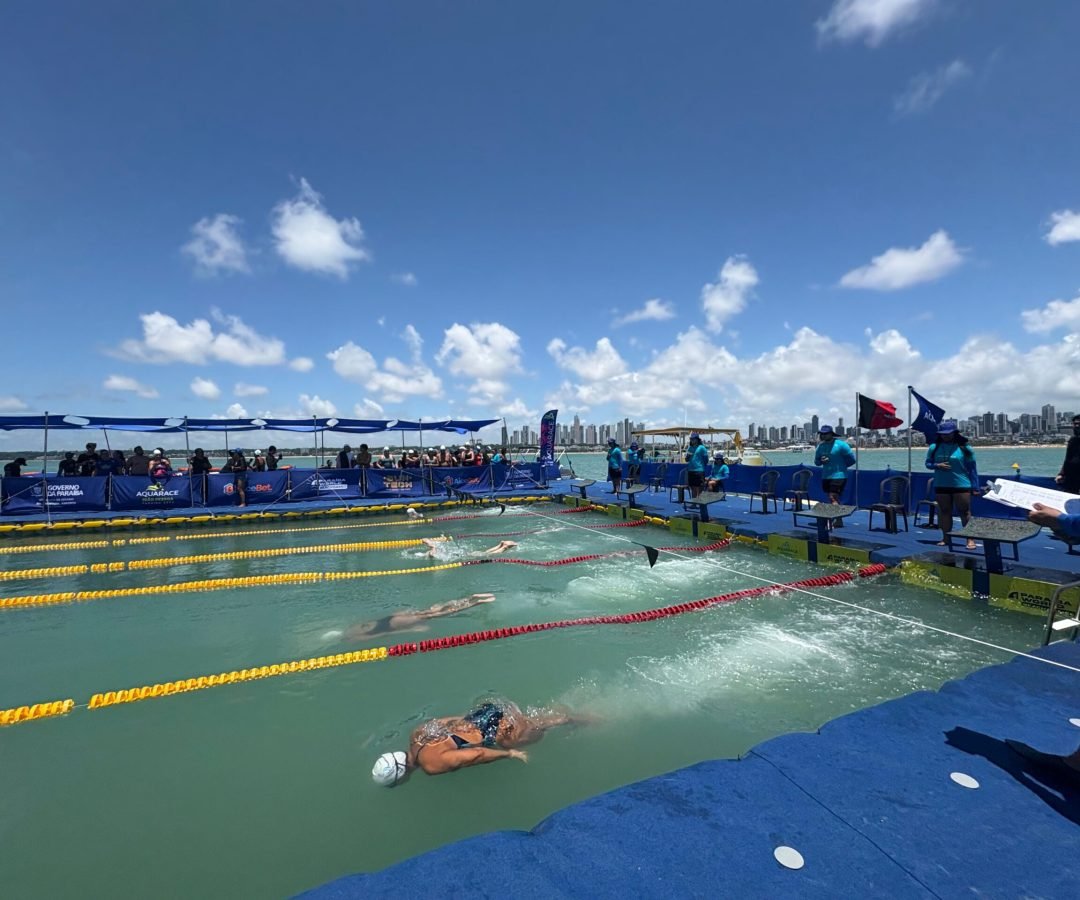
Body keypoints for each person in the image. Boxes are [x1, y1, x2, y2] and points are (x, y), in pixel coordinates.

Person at [371, 700, 587, 785]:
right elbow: (451, 721)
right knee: (538, 721)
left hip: (498, 728)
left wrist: (509, 754)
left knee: (540, 730)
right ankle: (572, 714)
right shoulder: (416, 735)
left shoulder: (431, 765)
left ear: (401, 777)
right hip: (484, 713)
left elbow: (476, 755)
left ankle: (586, 718)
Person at [344, 594, 496, 641]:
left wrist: (413, 630)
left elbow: (387, 633)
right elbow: (370, 623)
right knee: (433, 610)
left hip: (396, 623)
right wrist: (400, 613)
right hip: (394, 618)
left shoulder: (356, 637)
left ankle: (477, 602)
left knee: (440, 614)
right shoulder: (352, 628)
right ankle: (472, 597)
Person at [925, 420, 980, 550]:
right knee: (944, 512)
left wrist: (975, 487)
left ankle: (970, 539)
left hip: (961, 484)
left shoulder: (965, 448)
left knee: (964, 512)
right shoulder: (934, 447)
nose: (945, 436)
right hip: (941, 484)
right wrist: (936, 465)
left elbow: (972, 469)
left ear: (955, 433)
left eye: (948, 434)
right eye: (943, 434)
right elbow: (927, 464)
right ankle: (946, 538)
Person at [813, 426, 856, 513]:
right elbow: (817, 462)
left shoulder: (841, 445)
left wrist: (842, 468)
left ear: (831, 434)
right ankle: (838, 518)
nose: (823, 436)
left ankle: (837, 519)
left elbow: (852, 460)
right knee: (832, 498)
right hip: (826, 476)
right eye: (821, 434)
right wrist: (821, 461)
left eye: (825, 434)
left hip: (839, 475)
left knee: (832, 496)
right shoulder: (820, 446)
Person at [1056, 414, 1080, 494]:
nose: (1077, 426)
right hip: (1071, 477)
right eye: (1075, 424)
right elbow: (1067, 459)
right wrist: (1061, 474)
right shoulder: (1072, 440)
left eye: (1079, 424)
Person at [685, 433, 710, 499]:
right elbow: (686, 460)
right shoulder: (690, 448)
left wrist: (701, 466)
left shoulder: (702, 448)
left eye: (693, 439)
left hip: (699, 470)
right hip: (691, 470)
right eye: (691, 439)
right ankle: (694, 503)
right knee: (692, 487)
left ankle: (700, 502)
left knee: (700, 487)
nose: (692, 440)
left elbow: (706, 459)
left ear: (697, 439)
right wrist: (688, 456)